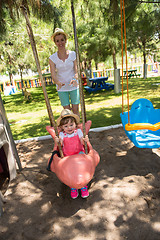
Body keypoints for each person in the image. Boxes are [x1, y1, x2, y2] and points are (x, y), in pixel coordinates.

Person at [55, 109, 89, 199]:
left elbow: (82, 141)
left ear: (75, 124)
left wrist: (85, 140)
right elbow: (61, 143)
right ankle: (73, 187)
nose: (69, 128)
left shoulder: (78, 131)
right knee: (70, 171)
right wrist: (58, 141)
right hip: (68, 156)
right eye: (66, 126)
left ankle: (83, 186)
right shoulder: (62, 134)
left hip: (79, 154)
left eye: (71, 125)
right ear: (62, 127)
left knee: (81, 169)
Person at [49, 28, 80, 116]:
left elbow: (77, 70)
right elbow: (53, 75)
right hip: (61, 87)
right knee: (67, 111)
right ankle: (70, 128)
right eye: (57, 41)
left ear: (65, 40)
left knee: (75, 108)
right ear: (55, 43)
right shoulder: (52, 58)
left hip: (74, 85)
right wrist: (58, 83)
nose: (60, 43)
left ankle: (77, 127)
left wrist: (75, 78)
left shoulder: (73, 54)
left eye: (62, 40)